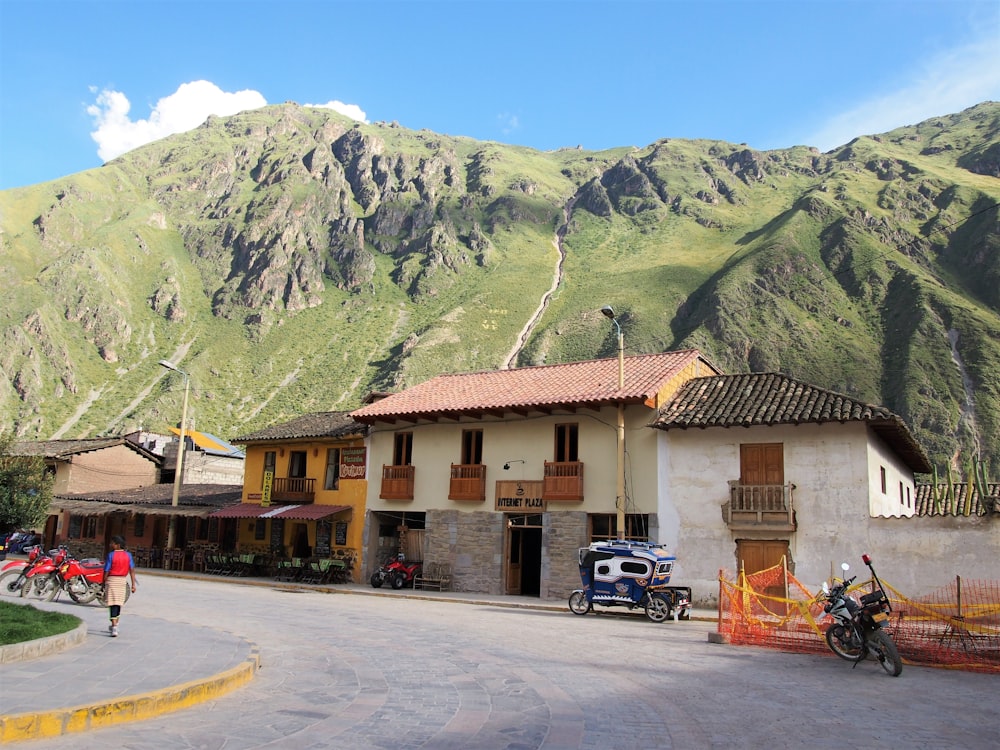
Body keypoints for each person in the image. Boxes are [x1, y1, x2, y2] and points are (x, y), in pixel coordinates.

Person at [103, 535, 137, 637]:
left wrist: (104, 581)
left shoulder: (111, 555)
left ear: (117, 545)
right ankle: (115, 624)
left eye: (112, 543)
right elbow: (132, 571)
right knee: (118, 603)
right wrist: (133, 584)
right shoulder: (128, 556)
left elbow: (107, 570)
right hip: (122, 581)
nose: (111, 545)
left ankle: (114, 626)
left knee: (112, 603)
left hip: (112, 580)